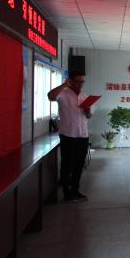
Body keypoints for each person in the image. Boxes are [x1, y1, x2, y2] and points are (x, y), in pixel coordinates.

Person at [47, 70, 93, 202]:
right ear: (70, 81)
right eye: (77, 81)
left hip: (83, 135)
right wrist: (64, 85)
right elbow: (50, 96)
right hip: (68, 135)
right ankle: (66, 193)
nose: (80, 84)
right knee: (67, 164)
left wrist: (87, 111)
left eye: (82, 82)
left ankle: (75, 190)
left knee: (79, 165)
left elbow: (89, 116)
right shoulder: (63, 94)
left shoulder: (85, 96)